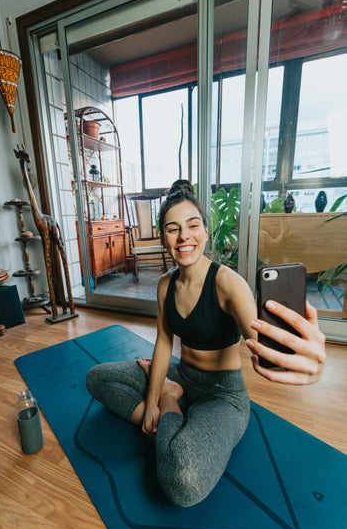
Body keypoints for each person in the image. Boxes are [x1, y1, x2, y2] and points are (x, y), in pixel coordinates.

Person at [86, 190, 325, 507]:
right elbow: (162, 342)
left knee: (183, 484)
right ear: (164, 237)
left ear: (206, 232)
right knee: (97, 378)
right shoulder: (165, 284)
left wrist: (301, 358)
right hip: (183, 374)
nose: (184, 236)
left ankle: (171, 401)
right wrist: (152, 395)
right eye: (173, 228)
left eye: (193, 225)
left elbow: (260, 338)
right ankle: (171, 409)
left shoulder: (228, 283)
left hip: (222, 395)